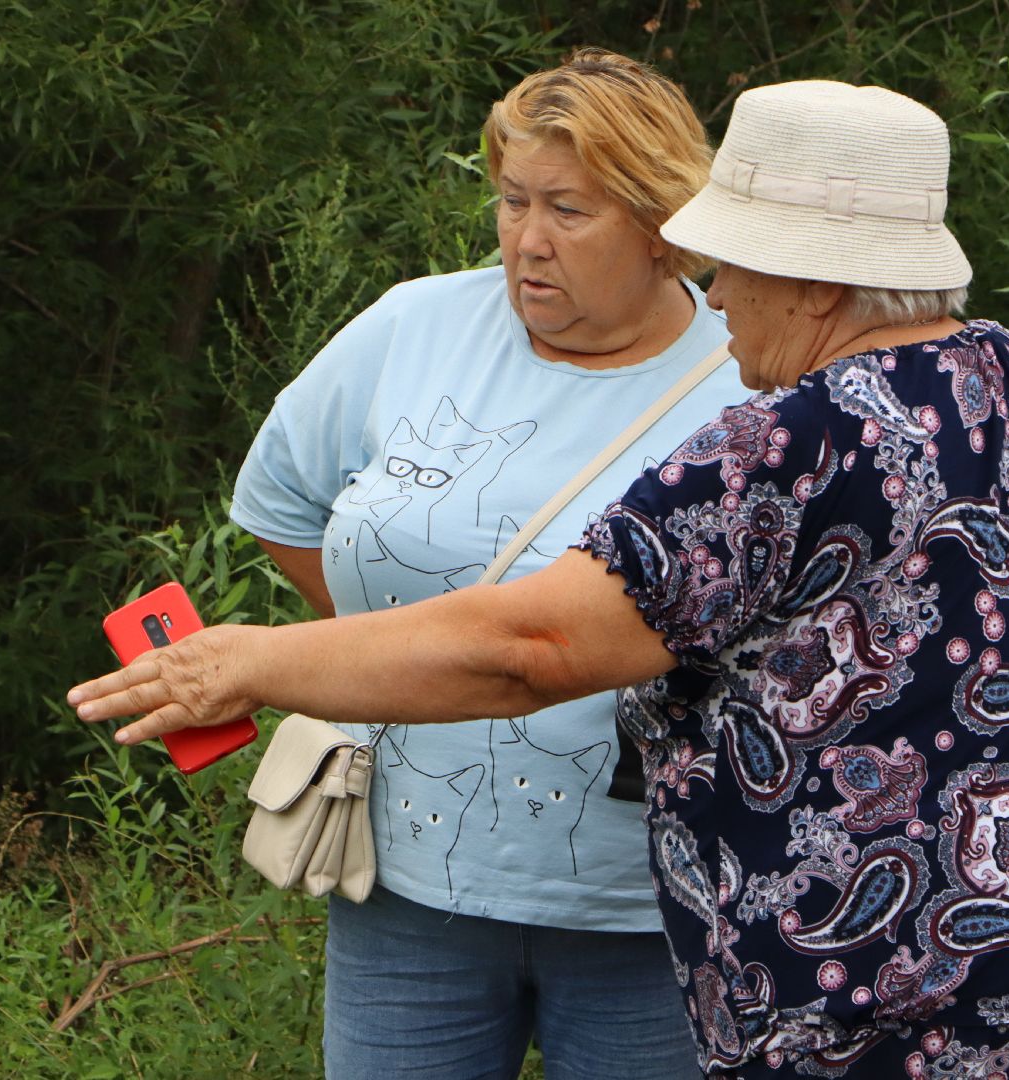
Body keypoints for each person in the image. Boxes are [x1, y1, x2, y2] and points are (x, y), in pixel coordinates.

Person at [72, 80, 1009, 1078]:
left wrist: (251, 663)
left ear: (816, 281)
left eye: (735, 262)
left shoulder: (791, 442)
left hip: (854, 1003)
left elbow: (533, 648)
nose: (715, 294)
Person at [225, 48, 747, 1079]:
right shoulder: (418, 325)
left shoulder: (747, 372)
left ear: (661, 224)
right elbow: (278, 500)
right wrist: (405, 660)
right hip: (408, 898)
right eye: (512, 201)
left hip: (657, 907)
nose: (527, 241)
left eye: (568, 209)